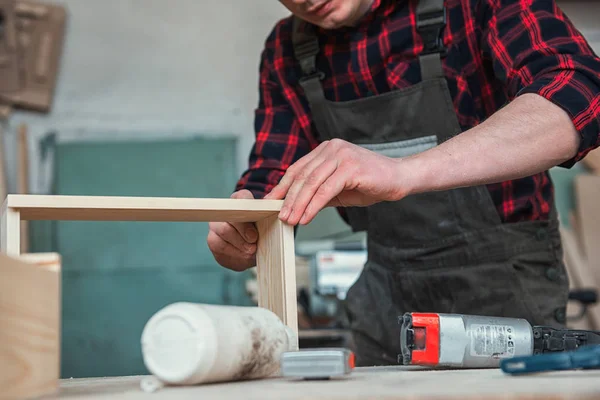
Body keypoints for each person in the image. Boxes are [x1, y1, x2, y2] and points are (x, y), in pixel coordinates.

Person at [207, 0, 600, 366]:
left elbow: (579, 92)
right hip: (386, 293)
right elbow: (271, 177)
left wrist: (402, 172)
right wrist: (246, 227)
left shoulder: (470, 6)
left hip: (506, 285)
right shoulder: (287, 50)